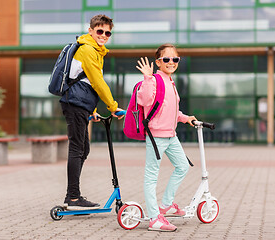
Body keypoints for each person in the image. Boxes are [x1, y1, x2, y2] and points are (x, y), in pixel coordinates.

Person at [60, 14, 123, 211]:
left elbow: (84, 82)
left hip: (80, 105)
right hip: (75, 104)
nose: (104, 35)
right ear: (91, 31)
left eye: (107, 32)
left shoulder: (95, 51)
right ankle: (73, 197)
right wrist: (113, 106)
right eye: (100, 31)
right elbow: (97, 82)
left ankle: (73, 195)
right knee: (77, 148)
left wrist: (93, 110)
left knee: (83, 149)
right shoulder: (87, 49)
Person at [136, 44, 197, 232]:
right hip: (156, 137)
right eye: (167, 59)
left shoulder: (171, 82)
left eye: (175, 59)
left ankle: (166, 205)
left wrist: (186, 118)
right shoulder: (154, 80)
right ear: (158, 62)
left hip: (171, 136)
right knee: (151, 177)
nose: (171, 62)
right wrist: (147, 78)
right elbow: (144, 101)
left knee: (183, 166)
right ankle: (155, 218)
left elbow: (171, 110)